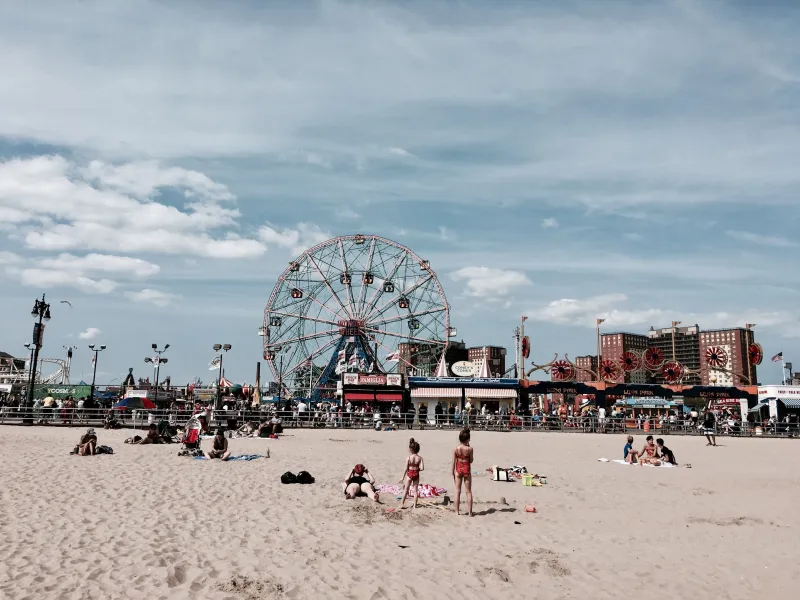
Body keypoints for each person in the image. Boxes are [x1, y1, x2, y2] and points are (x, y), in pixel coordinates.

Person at [452, 428, 474, 517]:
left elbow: (454, 461)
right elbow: (471, 460)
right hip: (466, 468)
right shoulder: (470, 449)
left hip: (458, 468)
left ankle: (457, 511)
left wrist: (452, 472)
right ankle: (470, 512)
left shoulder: (456, 449)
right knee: (468, 492)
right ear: (468, 439)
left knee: (457, 491)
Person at [399, 438, 424, 509]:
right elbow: (422, 468)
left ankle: (402, 504)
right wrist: (417, 469)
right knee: (415, 491)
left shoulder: (408, 458)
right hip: (416, 474)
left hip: (409, 474)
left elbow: (405, 468)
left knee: (406, 489)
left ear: (410, 449)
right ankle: (415, 506)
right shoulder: (420, 458)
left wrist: (402, 477)